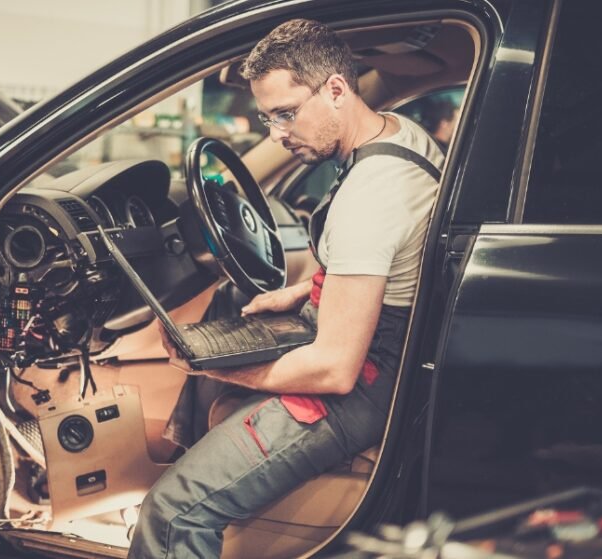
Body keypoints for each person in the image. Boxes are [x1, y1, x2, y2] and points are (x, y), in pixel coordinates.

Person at [128, 18, 445, 558]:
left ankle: (195, 490)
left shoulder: (370, 196)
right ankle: (208, 459)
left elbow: (334, 370)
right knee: (234, 305)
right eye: (267, 117)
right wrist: (299, 294)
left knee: (172, 514)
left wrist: (214, 366)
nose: (276, 133)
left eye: (286, 114)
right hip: (380, 345)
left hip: (364, 383)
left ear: (338, 90)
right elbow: (392, 266)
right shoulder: (396, 132)